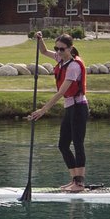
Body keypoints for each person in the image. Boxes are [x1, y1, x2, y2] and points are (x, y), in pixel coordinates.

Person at [28, 34, 90, 192]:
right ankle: (74, 180)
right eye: (57, 48)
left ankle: (80, 184)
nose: (58, 52)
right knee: (63, 145)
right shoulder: (61, 59)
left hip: (79, 107)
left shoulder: (74, 66)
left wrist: (43, 110)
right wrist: (40, 39)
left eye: (62, 49)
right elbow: (43, 51)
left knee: (77, 144)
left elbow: (62, 92)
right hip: (70, 108)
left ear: (70, 48)